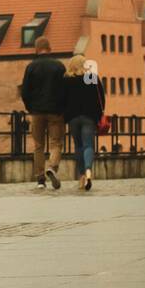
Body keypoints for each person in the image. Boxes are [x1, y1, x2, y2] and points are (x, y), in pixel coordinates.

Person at [20, 36, 67, 190]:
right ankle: (52, 167)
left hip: (37, 112)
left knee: (38, 145)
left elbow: (25, 91)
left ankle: (40, 179)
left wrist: (30, 107)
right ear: (50, 48)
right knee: (56, 143)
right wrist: (63, 108)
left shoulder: (31, 67)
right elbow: (65, 90)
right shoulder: (59, 67)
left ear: (36, 49)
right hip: (56, 112)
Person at [61, 55, 104, 191]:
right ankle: (88, 172)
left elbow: (62, 99)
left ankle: (81, 178)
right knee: (88, 145)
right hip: (89, 117)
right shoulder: (91, 78)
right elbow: (101, 98)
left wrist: (65, 115)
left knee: (78, 146)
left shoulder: (67, 80)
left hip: (73, 118)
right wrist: (98, 115)